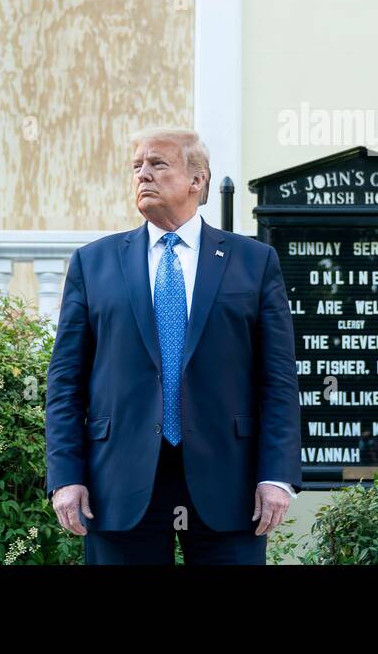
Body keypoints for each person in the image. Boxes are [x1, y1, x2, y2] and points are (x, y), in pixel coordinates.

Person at [45, 127, 301, 564]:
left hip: (229, 479)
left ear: (196, 180)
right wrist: (65, 475)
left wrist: (277, 475)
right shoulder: (94, 263)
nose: (143, 174)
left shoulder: (253, 263)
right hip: (118, 480)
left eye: (158, 164)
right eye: (137, 166)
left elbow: (277, 381)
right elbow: (65, 382)